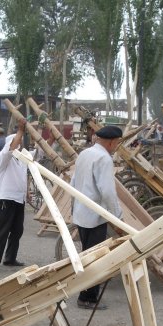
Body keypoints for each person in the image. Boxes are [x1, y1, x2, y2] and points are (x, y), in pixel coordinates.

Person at [70, 125, 123, 310]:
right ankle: (88, 299)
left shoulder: (85, 154)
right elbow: (107, 191)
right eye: (116, 143)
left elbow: (73, 182)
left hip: (82, 214)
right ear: (110, 142)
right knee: (95, 260)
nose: (116, 146)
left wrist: (73, 209)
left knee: (87, 257)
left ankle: (84, 294)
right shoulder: (104, 158)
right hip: (94, 217)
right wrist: (117, 217)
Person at [0, 119, 27, 274]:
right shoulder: (2, 157)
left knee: (17, 230)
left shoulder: (22, 159)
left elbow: (38, 153)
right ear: (10, 143)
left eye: (20, 141)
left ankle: (10, 258)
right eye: (17, 141)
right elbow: (11, 148)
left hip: (19, 200)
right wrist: (20, 130)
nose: (20, 144)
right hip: (5, 199)